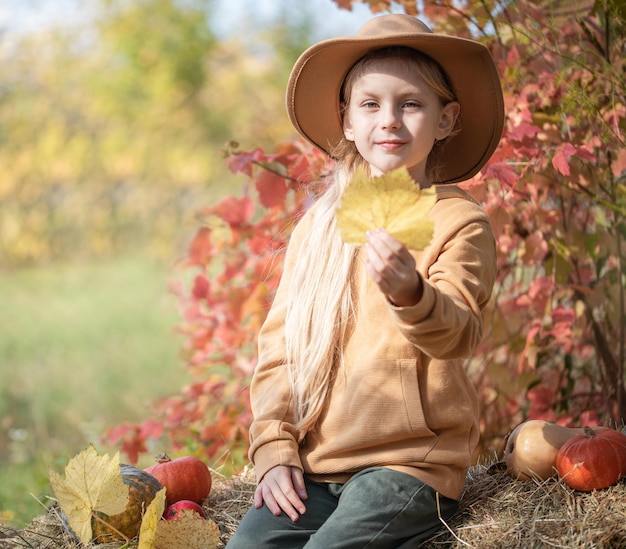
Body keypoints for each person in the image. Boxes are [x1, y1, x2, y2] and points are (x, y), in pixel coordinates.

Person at [227, 13, 504, 549]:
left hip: (409, 466)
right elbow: (280, 349)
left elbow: (459, 331)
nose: (391, 120)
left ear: (446, 120)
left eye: (412, 104)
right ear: (348, 121)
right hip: (318, 465)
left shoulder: (458, 222)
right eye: (371, 104)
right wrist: (274, 452)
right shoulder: (321, 227)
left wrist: (412, 294)